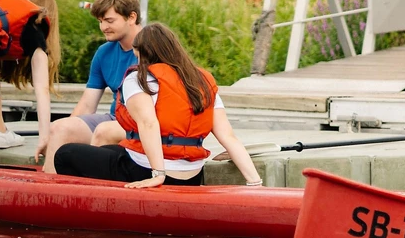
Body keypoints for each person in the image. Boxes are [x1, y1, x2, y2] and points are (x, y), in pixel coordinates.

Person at [54, 23, 262, 188]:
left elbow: (148, 123)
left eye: (137, 55)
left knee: (65, 154)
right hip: (191, 175)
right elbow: (228, 137)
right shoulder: (204, 81)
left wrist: (158, 174)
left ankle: (98, 210)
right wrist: (255, 182)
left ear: (143, 52)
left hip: (148, 170)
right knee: (110, 148)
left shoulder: (139, 78)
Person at [42, 0, 141, 174]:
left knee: (104, 131)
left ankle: (93, 198)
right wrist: (62, 132)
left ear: (131, 17)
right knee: (58, 128)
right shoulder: (104, 52)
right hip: (114, 119)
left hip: (143, 122)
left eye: (109, 21)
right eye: (100, 21)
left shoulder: (153, 46)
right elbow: (87, 105)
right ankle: (50, 193)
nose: (103, 27)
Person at [0, 0, 60, 153]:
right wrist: (44, 138)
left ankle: (0, 131)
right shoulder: (34, 30)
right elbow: (42, 90)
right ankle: (0, 133)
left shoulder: (5, 18)